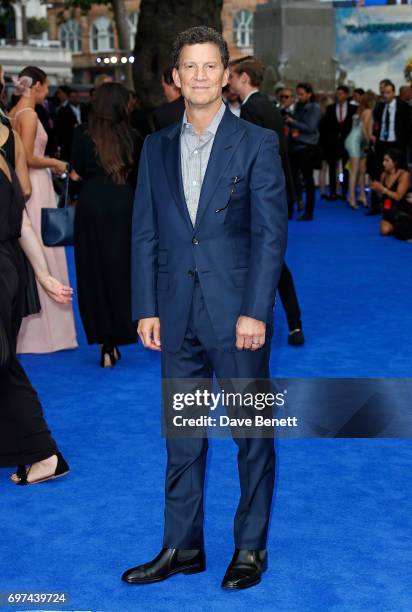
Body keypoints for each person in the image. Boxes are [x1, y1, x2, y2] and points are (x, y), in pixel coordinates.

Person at [122, 26, 287, 590]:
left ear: (224, 75)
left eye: (209, 66)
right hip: (175, 315)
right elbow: (144, 232)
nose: (198, 76)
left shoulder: (257, 143)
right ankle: (182, 546)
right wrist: (146, 305)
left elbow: (270, 235)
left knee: (250, 435)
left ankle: (250, 549)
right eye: (188, 67)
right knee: (184, 436)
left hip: (236, 315)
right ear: (175, 77)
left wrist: (256, 311)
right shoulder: (155, 147)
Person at [0, 143, 72, 485]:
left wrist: (43, 275)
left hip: (4, 271)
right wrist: (42, 275)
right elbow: (22, 222)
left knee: (4, 366)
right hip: (10, 268)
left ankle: (44, 453)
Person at [228, 56, 304, 346]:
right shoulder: (270, 107)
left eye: (233, 76)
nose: (230, 81)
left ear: (245, 78)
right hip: (277, 195)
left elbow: (249, 163)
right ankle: (293, 322)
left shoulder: (250, 111)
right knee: (273, 262)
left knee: (266, 263)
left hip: (259, 201)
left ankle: (265, 323)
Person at [70, 83, 142, 367]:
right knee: (121, 270)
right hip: (123, 204)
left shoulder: (81, 133)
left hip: (90, 205)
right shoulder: (132, 135)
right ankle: (120, 333)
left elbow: (75, 172)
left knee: (93, 272)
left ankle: (105, 343)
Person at [8, 66, 78, 354]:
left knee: (35, 249)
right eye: (45, 86)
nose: (47, 91)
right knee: (44, 247)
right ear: (35, 85)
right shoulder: (29, 115)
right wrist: (55, 163)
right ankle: (47, 336)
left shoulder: (11, 113)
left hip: (26, 185)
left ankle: (34, 333)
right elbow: (26, 157)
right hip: (34, 186)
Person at [368, 80, 412, 215]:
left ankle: (404, 205)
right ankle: (375, 206)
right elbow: (376, 124)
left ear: (394, 93)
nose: (385, 95)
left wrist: (406, 145)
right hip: (382, 144)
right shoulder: (379, 107)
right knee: (377, 172)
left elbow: (409, 128)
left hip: (398, 145)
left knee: (402, 173)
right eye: (383, 93)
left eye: (388, 92)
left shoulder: (404, 107)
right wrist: (373, 137)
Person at [286, 82, 321, 221]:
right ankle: (290, 209)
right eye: (298, 94)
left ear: (309, 94)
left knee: (308, 181)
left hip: (307, 148)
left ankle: (309, 211)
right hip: (295, 147)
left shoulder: (315, 108)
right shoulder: (299, 107)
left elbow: (310, 127)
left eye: (301, 94)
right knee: (292, 179)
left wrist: (291, 121)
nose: (299, 97)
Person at [323, 86, 356, 202]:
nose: (339, 96)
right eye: (337, 93)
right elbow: (326, 128)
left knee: (346, 168)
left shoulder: (353, 109)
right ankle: (333, 192)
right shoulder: (330, 108)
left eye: (341, 93)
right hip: (333, 144)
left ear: (346, 94)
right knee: (332, 168)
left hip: (347, 143)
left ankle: (344, 191)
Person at [344, 91, 376, 209]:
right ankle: (351, 197)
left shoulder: (360, 110)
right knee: (355, 171)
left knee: (362, 170)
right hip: (355, 141)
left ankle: (362, 195)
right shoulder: (368, 111)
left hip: (357, 141)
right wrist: (370, 143)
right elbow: (364, 130)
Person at [370, 148, 411, 236]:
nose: (383, 163)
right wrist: (377, 190)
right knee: (384, 230)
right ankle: (401, 228)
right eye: (383, 160)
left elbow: (398, 197)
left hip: (402, 210)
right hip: (388, 211)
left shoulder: (404, 175)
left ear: (395, 162)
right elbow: (381, 197)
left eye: (387, 160)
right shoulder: (383, 175)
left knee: (401, 227)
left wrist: (383, 189)